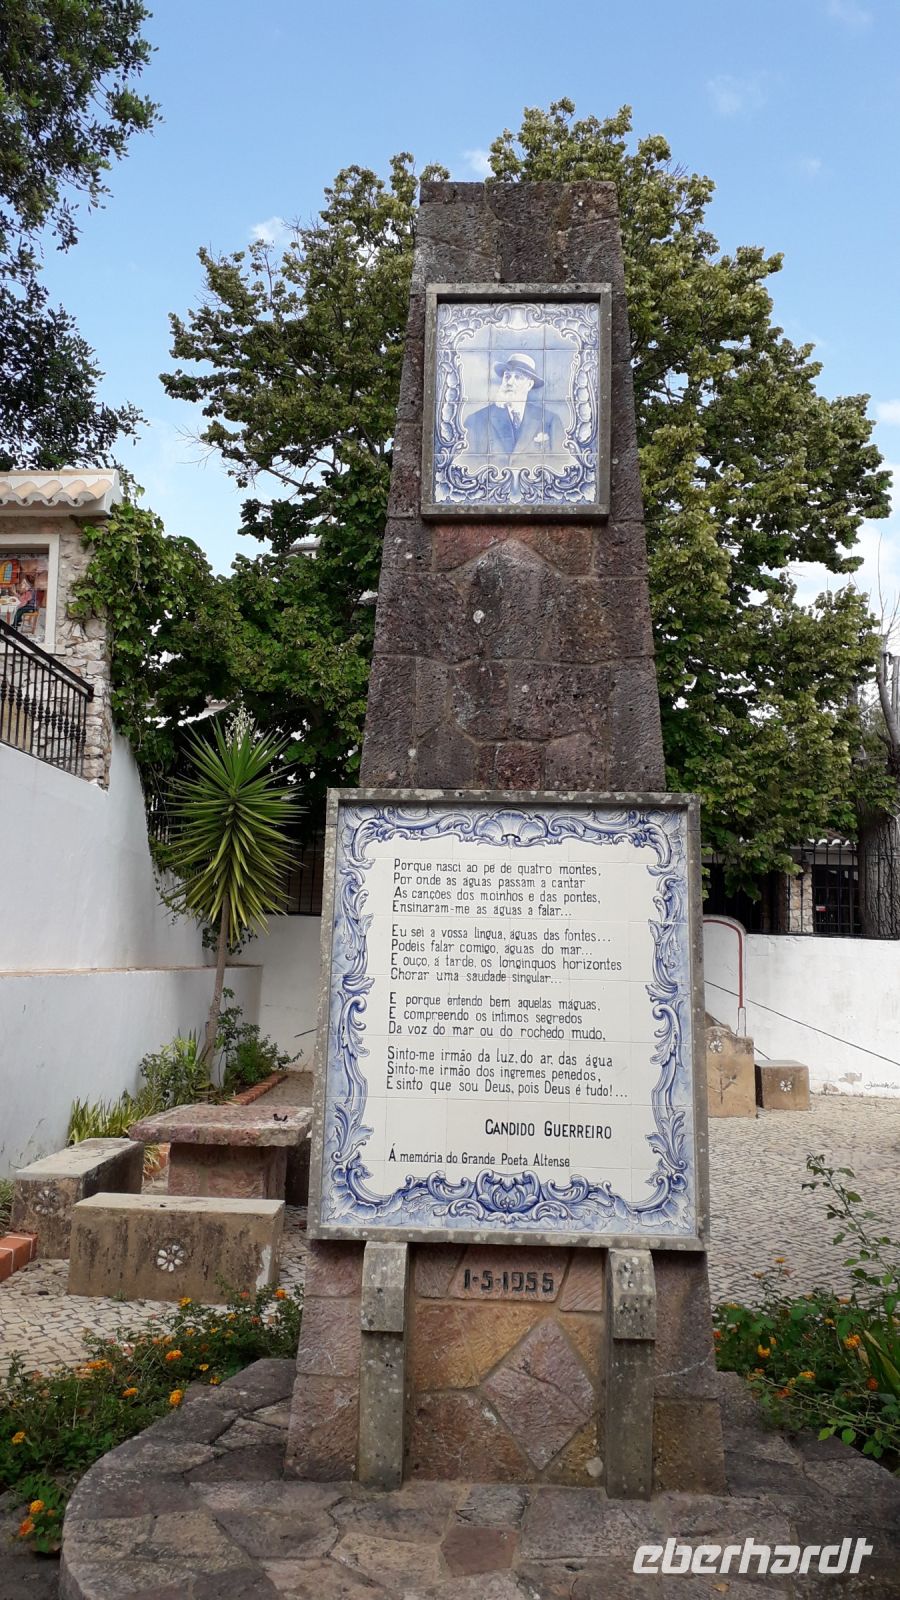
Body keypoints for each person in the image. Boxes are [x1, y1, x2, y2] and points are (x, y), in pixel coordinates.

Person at [462, 351, 565, 463]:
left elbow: (559, 464)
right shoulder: (476, 420)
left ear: (529, 385)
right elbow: (466, 464)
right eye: (507, 376)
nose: (510, 382)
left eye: (518, 377)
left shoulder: (550, 420)